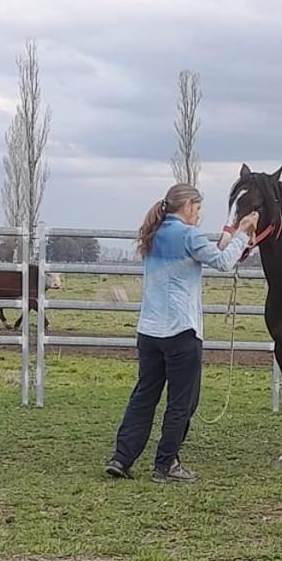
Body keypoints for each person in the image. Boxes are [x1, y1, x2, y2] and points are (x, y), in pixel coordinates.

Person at [105, 183, 259, 482]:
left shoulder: (154, 233)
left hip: (149, 330)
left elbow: (210, 253)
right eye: (198, 208)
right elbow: (224, 263)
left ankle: (122, 457)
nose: (199, 215)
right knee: (182, 401)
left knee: (144, 396)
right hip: (181, 330)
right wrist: (244, 233)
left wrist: (232, 234)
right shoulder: (189, 235)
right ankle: (166, 464)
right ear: (187, 205)